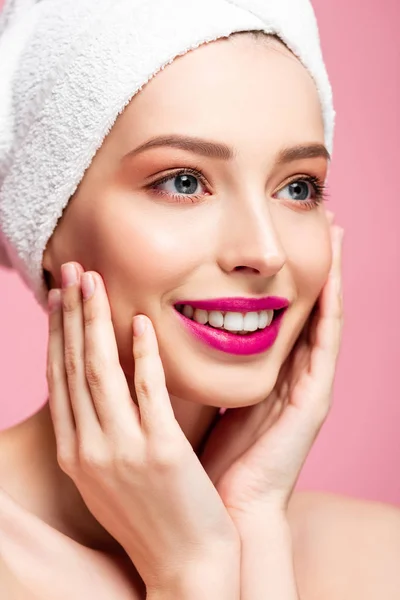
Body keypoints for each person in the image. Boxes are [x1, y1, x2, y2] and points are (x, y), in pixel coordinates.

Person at [0, 1, 399, 598]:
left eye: (297, 187)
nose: (264, 252)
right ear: (46, 224)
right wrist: (193, 569)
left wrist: (252, 520)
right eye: (184, 181)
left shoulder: (380, 558)